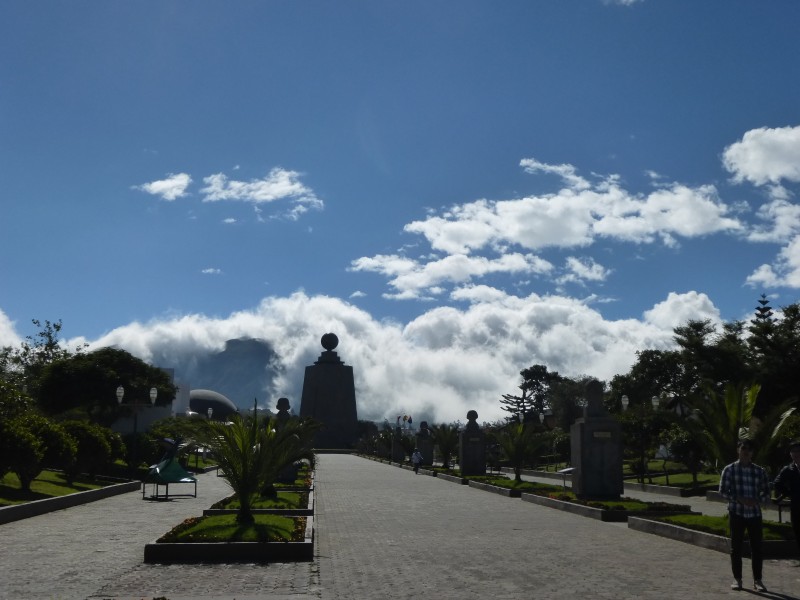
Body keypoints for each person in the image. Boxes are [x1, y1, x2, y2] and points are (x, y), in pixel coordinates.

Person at [718, 439, 771, 592]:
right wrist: (738, 498)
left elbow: (766, 492)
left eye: (749, 449)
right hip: (737, 513)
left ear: (752, 452)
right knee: (736, 548)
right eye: (743, 448)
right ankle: (737, 579)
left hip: (754, 514)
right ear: (738, 450)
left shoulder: (759, 471)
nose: (746, 451)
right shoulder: (729, 469)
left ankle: (758, 580)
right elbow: (722, 491)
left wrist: (757, 500)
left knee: (757, 548)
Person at [773, 439, 800, 558]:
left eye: (798, 451)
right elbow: (777, 483)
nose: (796, 454)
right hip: (796, 506)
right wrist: (789, 493)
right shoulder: (788, 469)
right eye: (793, 451)